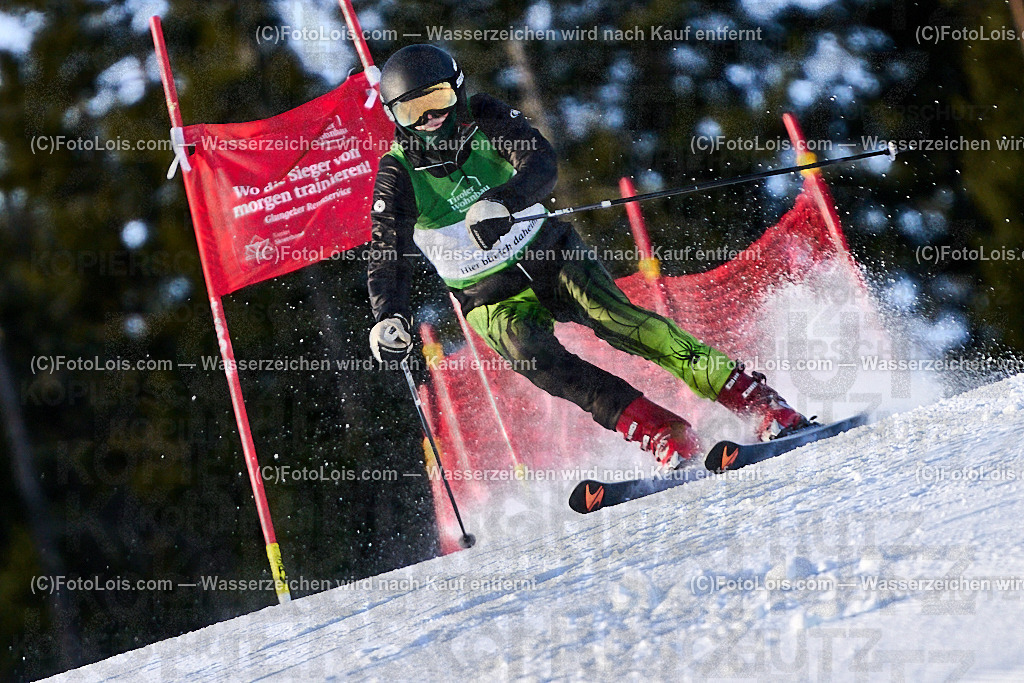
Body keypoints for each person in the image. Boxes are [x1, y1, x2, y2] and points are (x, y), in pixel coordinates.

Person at [366, 44, 811, 469]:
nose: (429, 118)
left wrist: (504, 200)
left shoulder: (484, 115)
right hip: (488, 295)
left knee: (621, 323)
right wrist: (389, 315)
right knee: (542, 364)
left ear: (458, 90)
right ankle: (663, 432)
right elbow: (389, 250)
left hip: (549, 253)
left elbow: (540, 162)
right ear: (393, 117)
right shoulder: (397, 173)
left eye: (438, 99)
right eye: (411, 111)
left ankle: (757, 401)